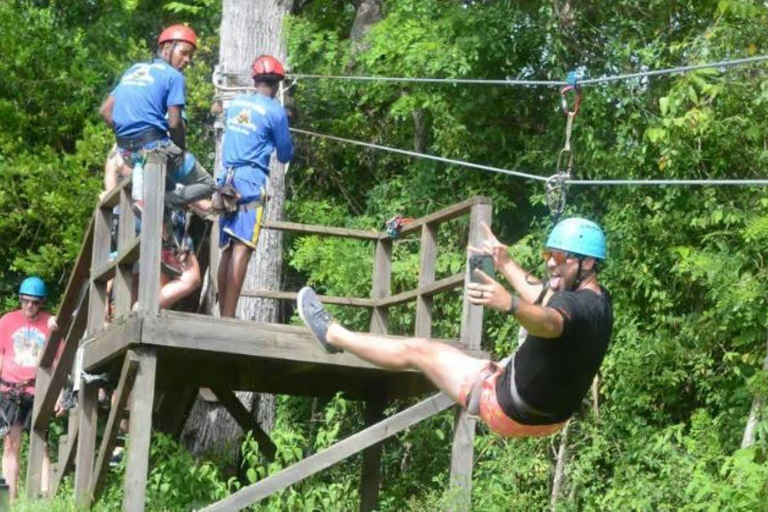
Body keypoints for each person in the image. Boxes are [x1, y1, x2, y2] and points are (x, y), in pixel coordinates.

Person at [297, 217, 613, 438]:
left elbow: (550, 322)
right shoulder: (599, 304)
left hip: (506, 408)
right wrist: (504, 264)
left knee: (417, 350)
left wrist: (510, 304)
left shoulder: (570, 308)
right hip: (549, 418)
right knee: (480, 363)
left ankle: (332, 334)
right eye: (548, 254)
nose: (549, 263)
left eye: (558, 257)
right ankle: (494, 375)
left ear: (587, 264)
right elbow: (544, 298)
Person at [217, 54, 293, 318]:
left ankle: (222, 313)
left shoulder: (236, 104)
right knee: (242, 247)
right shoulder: (275, 111)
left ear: (255, 78)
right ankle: (228, 316)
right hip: (250, 180)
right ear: (278, 84)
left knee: (227, 246)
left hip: (225, 180)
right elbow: (285, 154)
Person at [0, 277, 60, 501]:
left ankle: (44, 500)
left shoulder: (50, 323)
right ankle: (9, 500)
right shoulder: (6, 321)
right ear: (20, 299)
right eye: (26, 301)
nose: (29, 306)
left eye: (35, 302)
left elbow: (56, 362)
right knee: (10, 446)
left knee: (41, 445)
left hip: (38, 391)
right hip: (10, 390)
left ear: (42, 302)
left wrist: (58, 394)